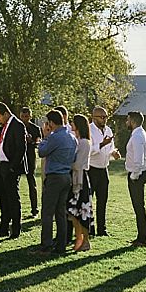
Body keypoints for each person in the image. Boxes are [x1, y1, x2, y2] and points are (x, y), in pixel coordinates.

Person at [36, 109, 76, 254]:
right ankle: (61, 244)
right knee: (61, 212)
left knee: (47, 212)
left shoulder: (54, 137)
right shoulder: (72, 138)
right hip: (66, 176)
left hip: (54, 176)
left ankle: (46, 245)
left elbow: (42, 152)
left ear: (51, 123)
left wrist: (45, 138)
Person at [0, 102, 27, 239]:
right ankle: (4, 227)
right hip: (1, 164)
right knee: (3, 197)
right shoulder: (5, 126)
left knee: (12, 198)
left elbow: (21, 148)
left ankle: (16, 228)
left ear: (5, 114)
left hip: (10, 167)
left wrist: (12, 167)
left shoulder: (17, 125)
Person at [124, 111, 146, 247]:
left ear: (133, 121)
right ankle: (141, 236)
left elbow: (138, 160)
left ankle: (142, 238)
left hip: (137, 174)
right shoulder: (139, 134)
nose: (126, 122)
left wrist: (134, 176)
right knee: (139, 206)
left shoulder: (137, 136)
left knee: (139, 207)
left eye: (128, 120)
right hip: (139, 173)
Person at [68, 113, 95, 252]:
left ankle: (85, 240)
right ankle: (78, 238)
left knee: (82, 210)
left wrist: (67, 163)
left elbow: (78, 164)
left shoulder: (84, 142)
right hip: (75, 177)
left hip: (81, 178)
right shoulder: (78, 140)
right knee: (74, 211)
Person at [88, 106, 116, 237]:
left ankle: (102, 229)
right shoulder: (89, 130)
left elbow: (110, 148)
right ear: (94, 117)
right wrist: (102, 144)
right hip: (91, 169)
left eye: (106, 117)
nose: (104, 119)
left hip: (104, 169)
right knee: (88, 201)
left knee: (103, 200)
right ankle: (89, 228)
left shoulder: (108, 130)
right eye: (102, 117)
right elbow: (89, 150)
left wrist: (113, 153)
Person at [21, 106, 42, 217]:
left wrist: (31, 141)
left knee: (31, 182)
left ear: (30, 116)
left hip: (30, 157)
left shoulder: (35, 128)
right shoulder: (17, 127)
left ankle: (34, 209)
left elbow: (38, 142)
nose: (25, 118)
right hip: (19, 157)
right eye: (23, 116)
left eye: (27, 116)